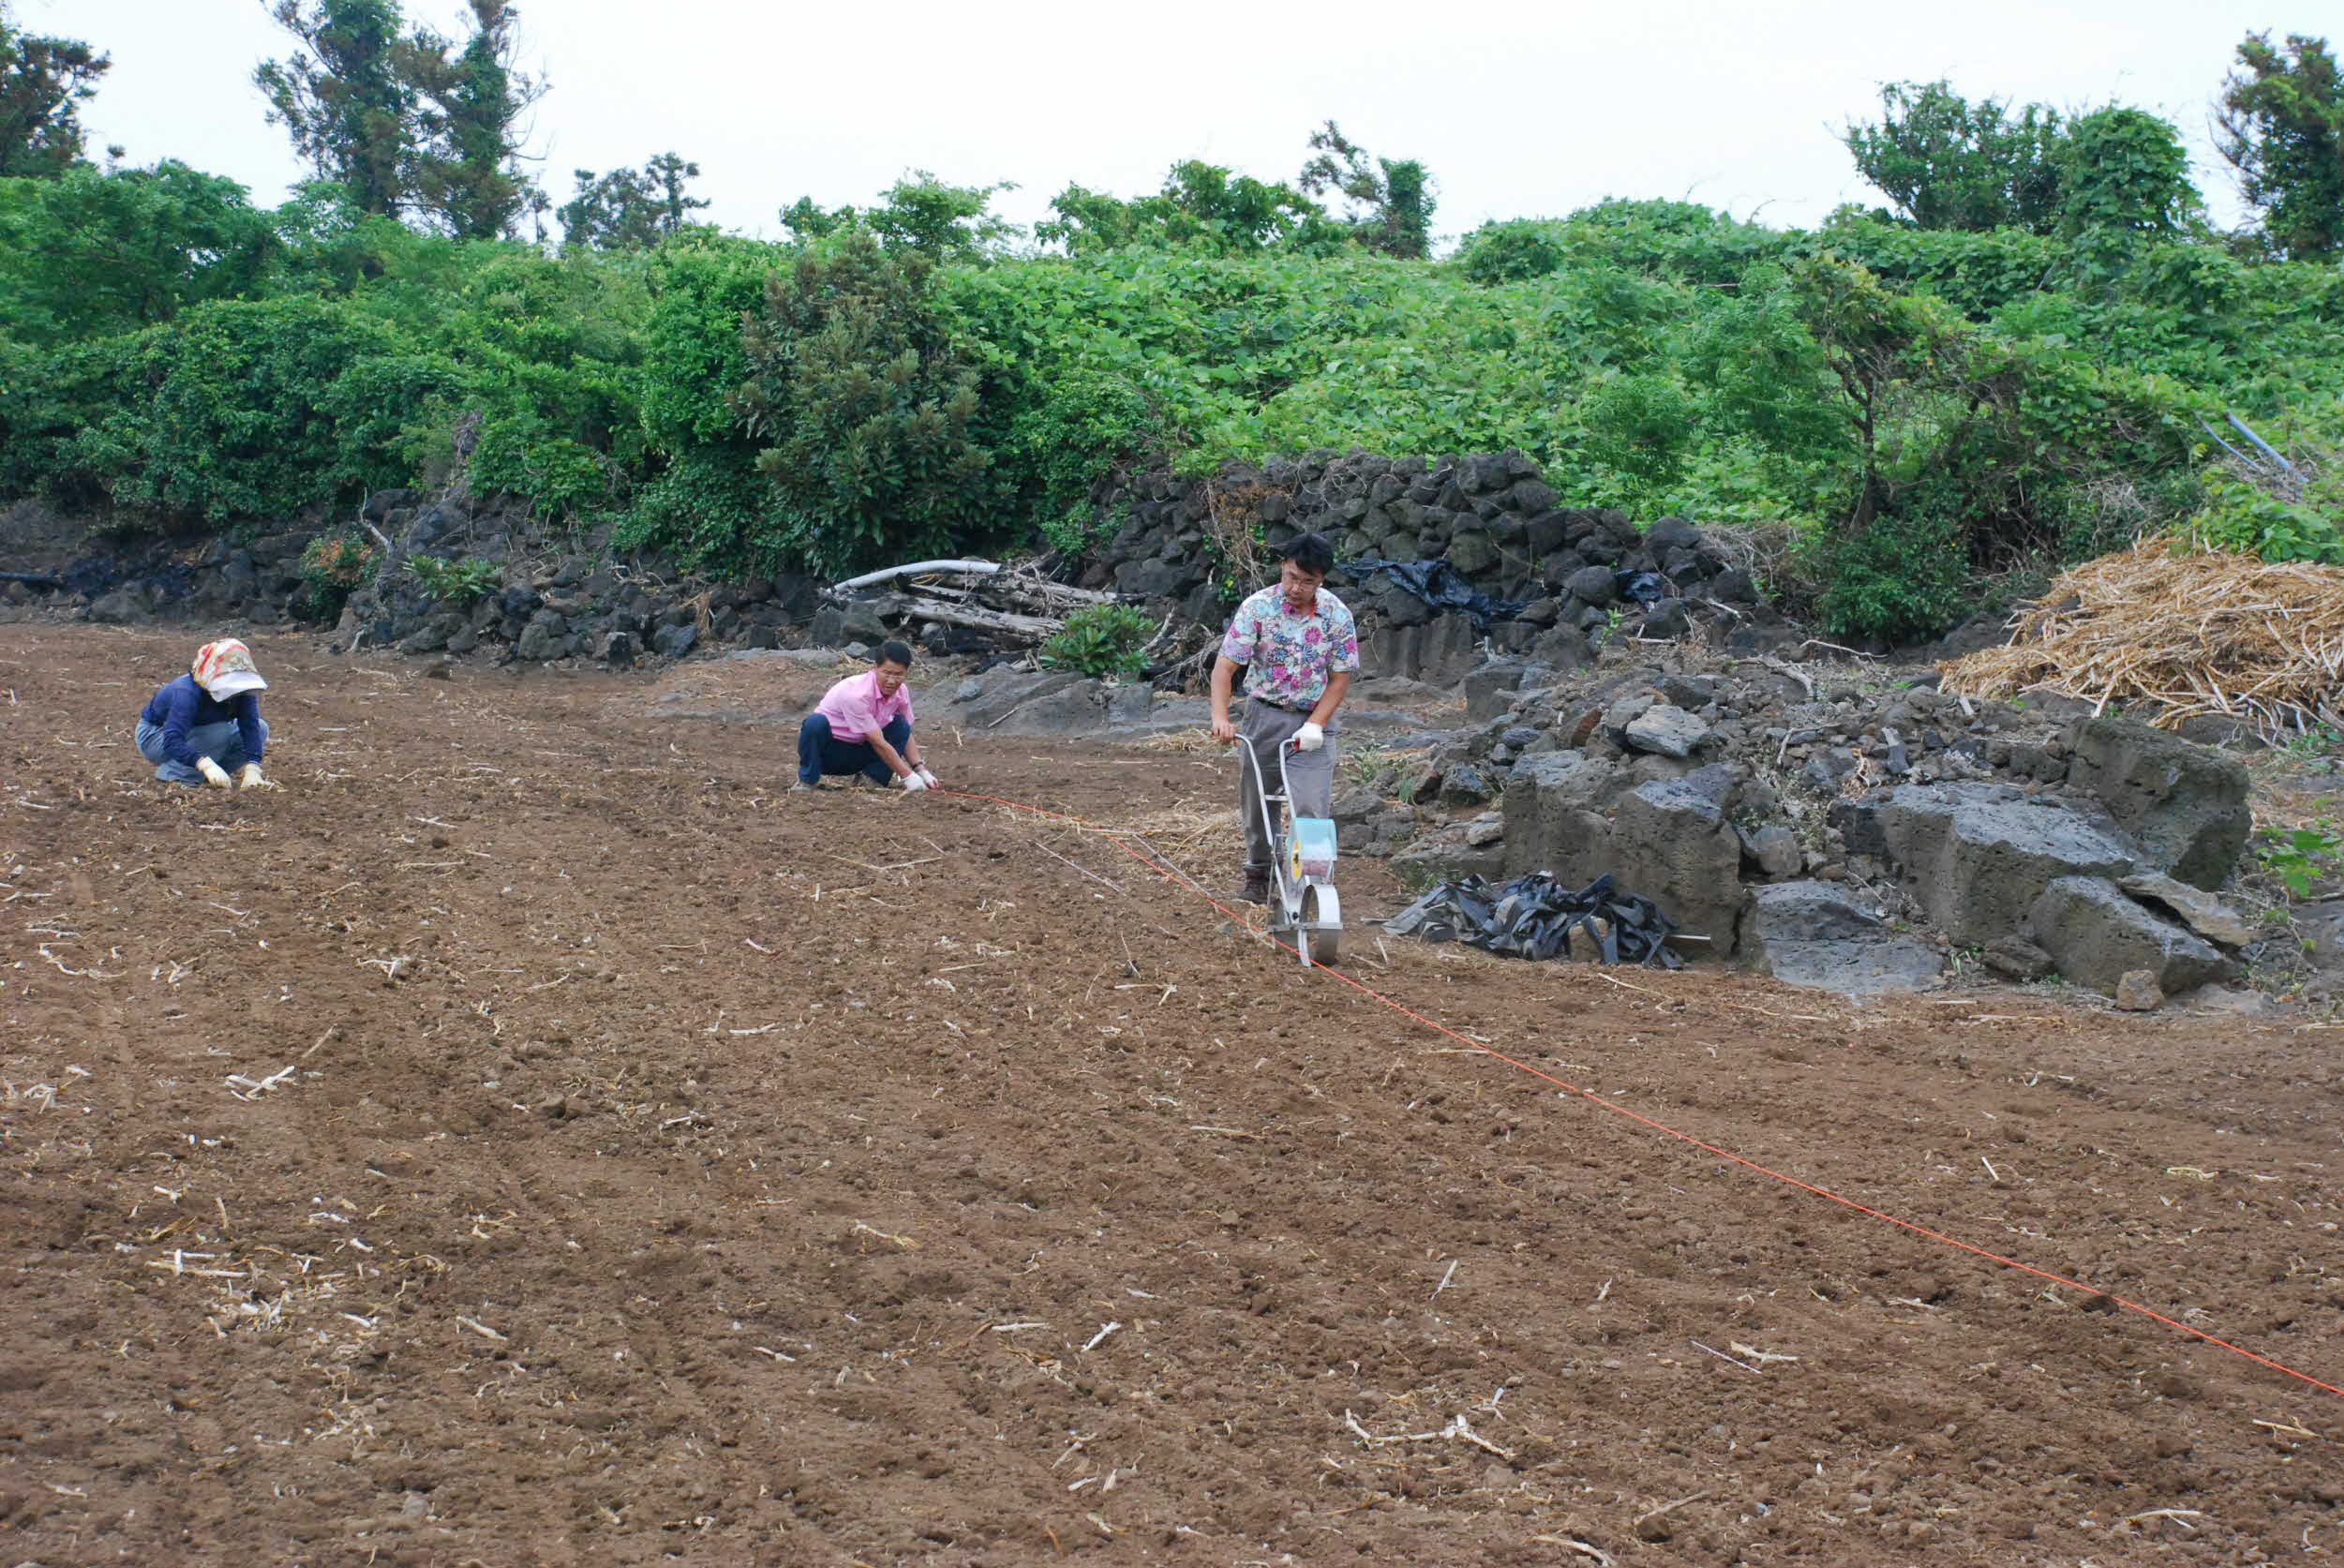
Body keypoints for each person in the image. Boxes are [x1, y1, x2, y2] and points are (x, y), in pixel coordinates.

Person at [1209, 532, 1360, 903]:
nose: (1297, 587)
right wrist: (1221, 717)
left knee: (1310, 805)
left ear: (1321, 580)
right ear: (1283, 568)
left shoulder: (1336, 616)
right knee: (1258, 801)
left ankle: (1311, 881)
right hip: (1264, 717)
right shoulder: (1257, 608)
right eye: (1293, 576)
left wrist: (1316, 724)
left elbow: (1341, 679)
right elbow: (1225, 668)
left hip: (1313, 721)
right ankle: (1258, 874)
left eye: (1308, 581)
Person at [795, 641, 939, 792]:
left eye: (898, 674)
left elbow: (905, 733)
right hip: (829, 754)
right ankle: (807, 780)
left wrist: (920, 770)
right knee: (815, 723)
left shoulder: (901, 692)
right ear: (874, 668)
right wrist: (907, 775)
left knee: (900, 724)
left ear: (906, 673)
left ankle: (871, 781)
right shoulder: (856, 694)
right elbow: (876, 741)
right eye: (887, 673)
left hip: (860, 752)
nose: (891, 681)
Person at [137, 637, 276, 789]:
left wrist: (253, 767)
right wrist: (205, 764)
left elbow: (251, 726)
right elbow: (172, 740)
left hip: (200, 732)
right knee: (218, 731)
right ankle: (176, 775)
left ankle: (212, 776)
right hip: (156, 736)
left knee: (261, 727)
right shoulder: (186, 692)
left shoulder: (243, 692)